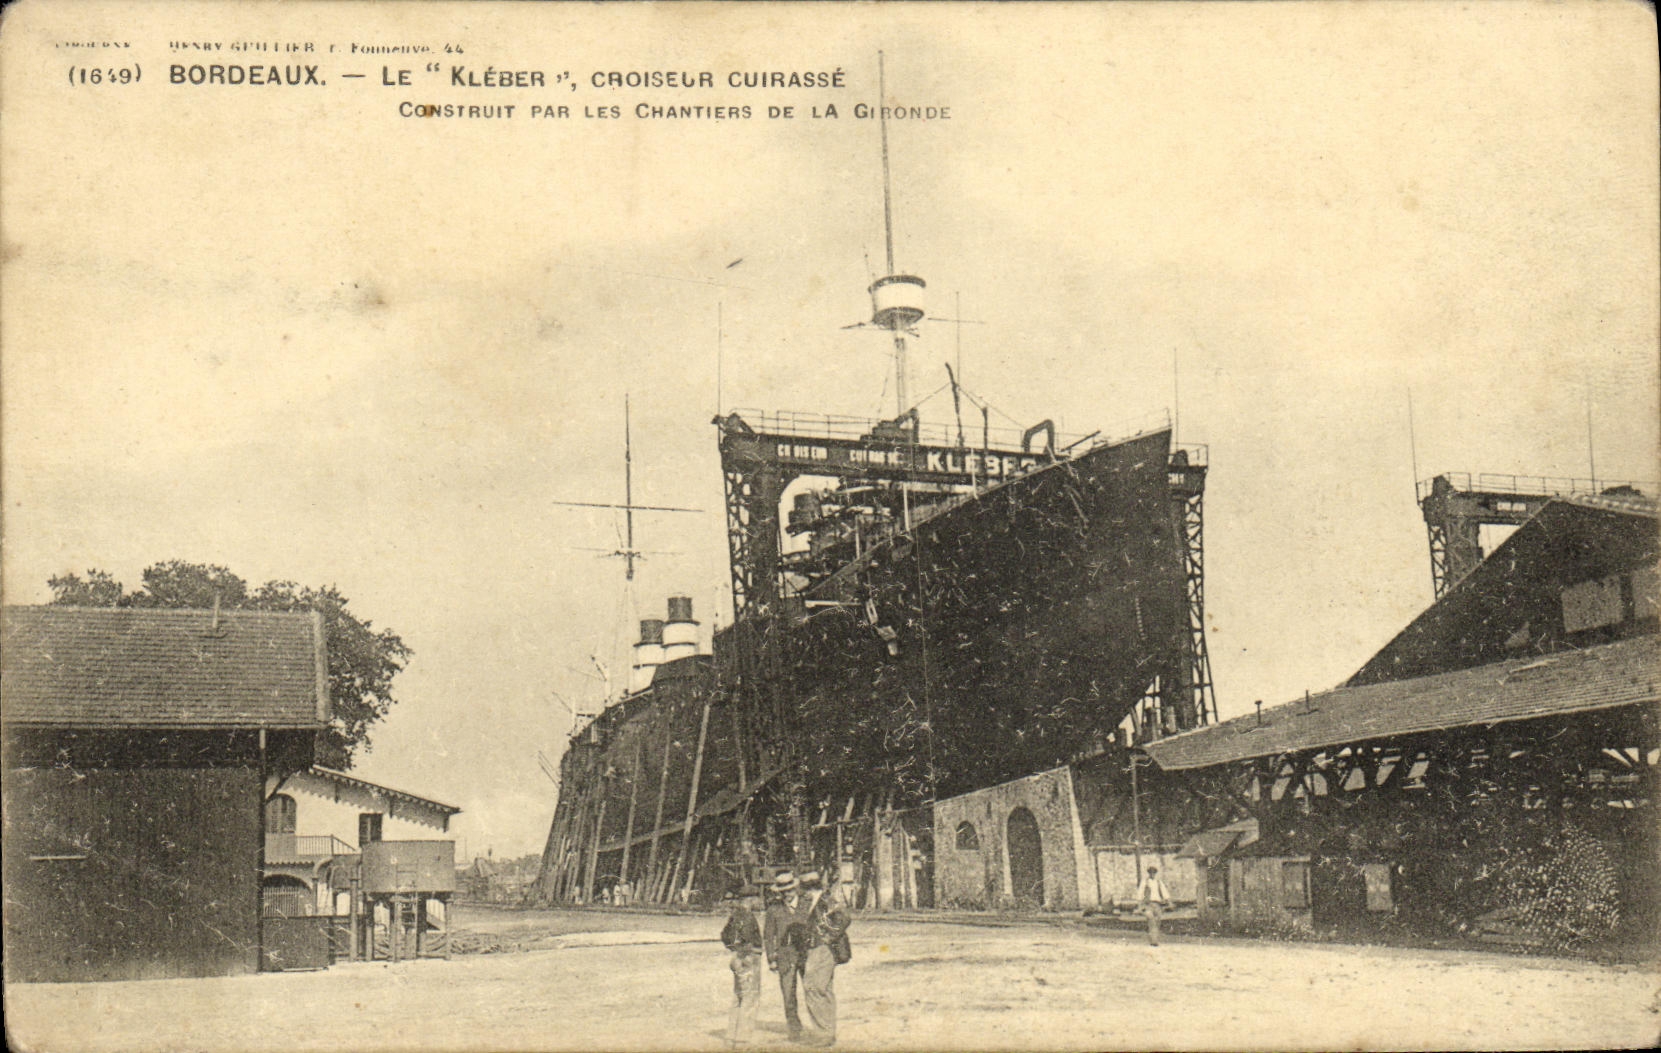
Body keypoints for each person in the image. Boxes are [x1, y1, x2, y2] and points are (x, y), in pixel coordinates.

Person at [796, 870, 851, 1047]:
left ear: (809, 888)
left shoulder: (825, 900)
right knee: (823, 989)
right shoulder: (816, 901)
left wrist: (829, 937)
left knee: (813, 988)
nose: (801, 892)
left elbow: (845, 918)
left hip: (822, 949)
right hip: (817, 948)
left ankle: (822, 1033)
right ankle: (827, 1032)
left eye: (803, 888)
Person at [763, 871, 805, 1042]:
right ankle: (794, 1027)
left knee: (812, 991)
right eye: (783, 892)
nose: (787, 895)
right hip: (784, 957)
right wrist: (772, 959)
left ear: (795, 889)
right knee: (788, 994)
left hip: (805, 955)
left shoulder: (806, 905)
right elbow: (768, 935)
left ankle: (819, 1027)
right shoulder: (774, 910)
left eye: (790, 891)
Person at [721, 887, 764, 1047]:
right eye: (757, 898)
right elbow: (746, 936)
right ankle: (743, 1039)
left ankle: (731, 1037)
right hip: (748, 958)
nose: (759, 902)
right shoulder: (747, 915)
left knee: (738, 997)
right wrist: (744, 952)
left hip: (736, 958)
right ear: (750, 899)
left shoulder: (735, 915)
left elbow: (724, 935)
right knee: (750, 998)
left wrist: (733, 948)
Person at [1138, 865, 1171, 946]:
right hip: (1148, 904)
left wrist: (1169, 901)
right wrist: (1140, 905)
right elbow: (1140, 893)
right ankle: (1153, 941)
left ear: (1155, 873)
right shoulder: (1145, 882)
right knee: (1151, 921)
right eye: (1151, 873)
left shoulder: (1159, 882)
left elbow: (1164, 892)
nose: (1152, 874)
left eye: (1154, 873)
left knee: (1158, 921)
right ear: (1149, 873)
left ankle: (1155, 939)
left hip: (1157, 904)